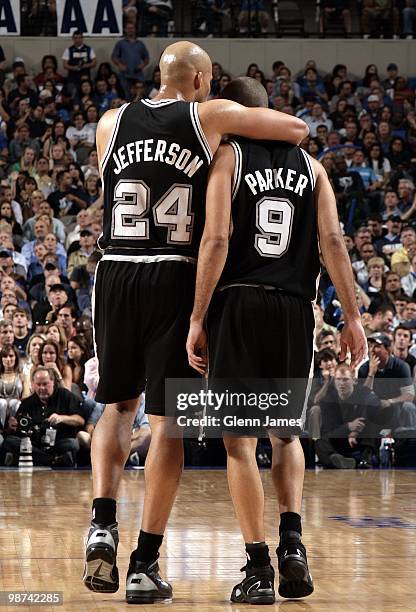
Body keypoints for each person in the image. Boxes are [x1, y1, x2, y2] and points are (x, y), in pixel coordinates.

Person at [84, 41, 308, 602]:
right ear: (203, 80)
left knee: (115, 406)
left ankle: (102, 522)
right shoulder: (207, 114)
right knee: (167, 426)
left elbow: (109, 179)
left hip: (115, 271)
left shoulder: (110, 124)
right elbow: (296, 129)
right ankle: (143, 562)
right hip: (174, 277)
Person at [186, 77, 367, 604]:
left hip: (239, 305)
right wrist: (352, 315)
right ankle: (293, 543)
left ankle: (258, 566)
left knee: (239, 442)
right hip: (294, 310)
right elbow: (333, 241)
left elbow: (216, 239)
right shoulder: (312, 167)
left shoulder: (228, 158)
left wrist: (197, 317)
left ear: (234, 113)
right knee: (285, 435)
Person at [2, 366, 84, 467]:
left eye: (45, 384)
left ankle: (40, 458)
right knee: (9, 441)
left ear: (53, 382)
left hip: (58, 442)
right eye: (38, 384)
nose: (42, 388)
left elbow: (80, 420)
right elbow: (18, 429)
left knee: (72, 444)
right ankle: (53, 460)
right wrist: (13, 426)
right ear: (33, 385)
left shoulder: (65, 396)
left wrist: (62, 418)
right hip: (34, 444)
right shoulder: (27, 403)